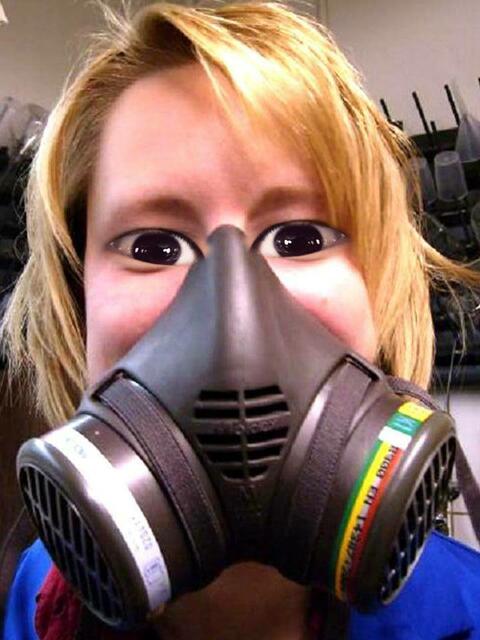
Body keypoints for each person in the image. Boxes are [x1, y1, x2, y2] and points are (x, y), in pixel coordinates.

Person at [1, 2, 480, 639]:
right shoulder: (39, 593)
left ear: (378, 282)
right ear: (75, 297)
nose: (234, 315)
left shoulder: (465, 611)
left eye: (300, 238)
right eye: (154, 247)